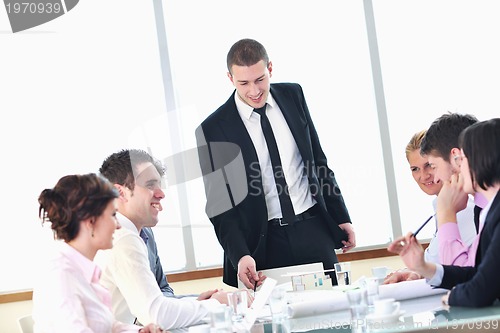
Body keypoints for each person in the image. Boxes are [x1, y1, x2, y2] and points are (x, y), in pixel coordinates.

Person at [195, 38, 355, 289]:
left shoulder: (293, 96)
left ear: (270, 68)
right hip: (263, 243)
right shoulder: (213, 129)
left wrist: (340, 215)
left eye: (260, 79)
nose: (254, 91)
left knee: (338, 314)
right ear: (230, 78)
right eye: (243, 83)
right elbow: (219, 206)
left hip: (313, 226)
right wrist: (240, 254)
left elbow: (318, 161)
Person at [95, 149, 229, 329]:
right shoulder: (121, 237)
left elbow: (155, 298)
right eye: (150, 185)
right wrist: (217, 304)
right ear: (121, 192)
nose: (161, 194)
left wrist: (195, 302)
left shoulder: (135, 233)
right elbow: (156, 315)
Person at [388, 118, 500, 307]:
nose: (432, 176)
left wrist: (450, 298)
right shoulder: (488, 210)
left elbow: (479, 286)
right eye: (415, 169)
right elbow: (477, 273)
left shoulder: (481, 210)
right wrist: (422, 267)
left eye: (432, 165)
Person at [32, 173, 158, 332]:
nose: (118, 225)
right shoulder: (60, 274)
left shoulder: (86, 271)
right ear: (91, 221)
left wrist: (139, 331)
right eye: (113, 215)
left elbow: (107, 326)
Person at [384, 129, 477, 283]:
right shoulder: (440, 209)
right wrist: (414, 270)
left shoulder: (465, 211)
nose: (424, 176)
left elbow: (455, 270)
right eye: (415, 169)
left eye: (429, 165)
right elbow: (437, 263)